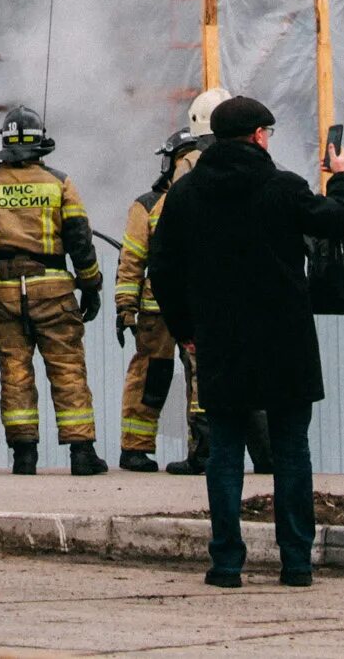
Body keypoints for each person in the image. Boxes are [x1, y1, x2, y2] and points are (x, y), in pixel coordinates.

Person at [149, 95, 344, 589]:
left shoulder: (184, 194)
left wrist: (185, 329)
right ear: (259, 136)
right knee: (291, 449)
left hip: (220, 339)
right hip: (285, 338)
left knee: (224, 450)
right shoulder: (282, 186)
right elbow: (335, 220)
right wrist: (342, 179)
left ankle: (226, 564)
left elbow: (163, 269)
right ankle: (297, 563)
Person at [0, 108, 108, 476]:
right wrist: (91, 285)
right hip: (53, 290)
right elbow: (80, 240)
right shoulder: (59, 183)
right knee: (67, 367)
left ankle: (24, 456)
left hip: (1, 293)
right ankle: (82, 454)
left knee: (14, 371)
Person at [114, 131, 205, 474]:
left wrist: (126, 307)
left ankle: (136, 449)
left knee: (151, 376)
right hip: (188, 307)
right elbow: (134, 257)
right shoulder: (202, 200)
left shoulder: (149, 204)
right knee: (198, 375)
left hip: (158, 306)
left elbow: (131, 260)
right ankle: (201, 450)